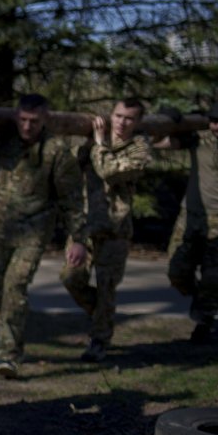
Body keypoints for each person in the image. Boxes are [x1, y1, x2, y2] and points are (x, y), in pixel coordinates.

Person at [0, 93, 84, 378]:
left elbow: (71, 198)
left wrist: (78, 238)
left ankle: (8, 355)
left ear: (44, 119)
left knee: (15, 287)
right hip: (1, 227)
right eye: (22, 119)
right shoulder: (5, 140)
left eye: (34, 121)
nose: (27, 126)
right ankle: (12, 335)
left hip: (34, 231)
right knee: (0, 284)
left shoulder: (56, 150)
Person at [60, 98, 152, 361]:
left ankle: (99, 340)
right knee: (71, 278)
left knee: (107, 287)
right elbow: (70, 171)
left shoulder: (139, 149)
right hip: (84, 229)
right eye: (118, 116)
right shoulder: (91, 140)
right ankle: (102, 314)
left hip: (115, 230)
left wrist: (99, 144)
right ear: (111, 115)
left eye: (129, 118)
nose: (122, 123)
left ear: (138, 122)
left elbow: (109, 172)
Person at [160, 97, 218, 342]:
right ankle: (200, 299)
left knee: (214, 276)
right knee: (176, 271)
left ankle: (204, 320)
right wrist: (167, 120)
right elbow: (160, 143)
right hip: (189, 216)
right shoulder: (198, 138)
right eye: (215, 121)